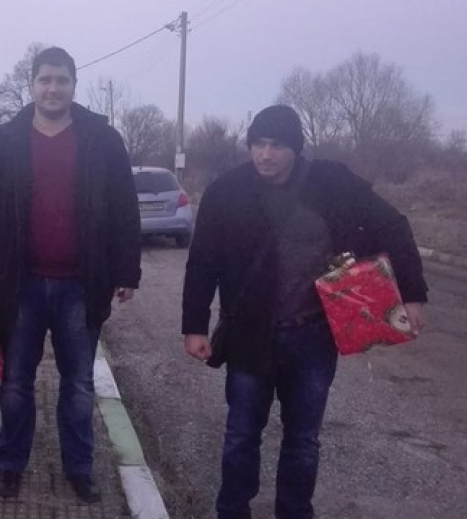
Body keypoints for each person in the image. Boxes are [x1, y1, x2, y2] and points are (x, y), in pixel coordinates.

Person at [182, 104, 428, 519]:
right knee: (241, 435)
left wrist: (413, 294)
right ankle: (232, 511)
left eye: (277, 145)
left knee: (303, 440)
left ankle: (295, 512)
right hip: (249, 334)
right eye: (258, 144)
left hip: (313, 337)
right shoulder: (226, 192)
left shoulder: (332, 183)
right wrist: (194, 326)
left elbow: (394, 226)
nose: (265, 155)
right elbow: (203, 261)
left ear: (296, 147)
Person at [0, 46, 141, 503]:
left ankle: (79, 468)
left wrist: (127, 270)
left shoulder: (102, 140)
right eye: (45, 79)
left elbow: (124, 208)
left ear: (74, 85)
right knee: (15, 383)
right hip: (18, 285)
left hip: (81, 284)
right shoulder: (2, 142)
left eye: (61, 80)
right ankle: (10, 464)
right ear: (32, 85)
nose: (53, 88)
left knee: (78, 383)